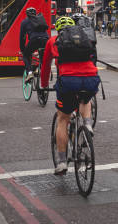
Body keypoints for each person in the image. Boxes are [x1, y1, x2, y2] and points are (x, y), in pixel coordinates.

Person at [40, 17, 99, 175]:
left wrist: (44, 85)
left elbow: (46, 66)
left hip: (68, 81)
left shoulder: (53, 40)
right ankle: (87, 124)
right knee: (85, 98)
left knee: (63, 118)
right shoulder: (84, 36)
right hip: (90, 78)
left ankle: (62, 162)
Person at [19, 7, 49, 82]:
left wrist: (22, 49)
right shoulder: (40, 19)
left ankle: (29, 73)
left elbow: (22, 37)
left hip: (34, 40)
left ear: (27, 14)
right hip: (45, 39)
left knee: (26, 55)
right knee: (42, 54)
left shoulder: (25, 21)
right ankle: (41, 69)